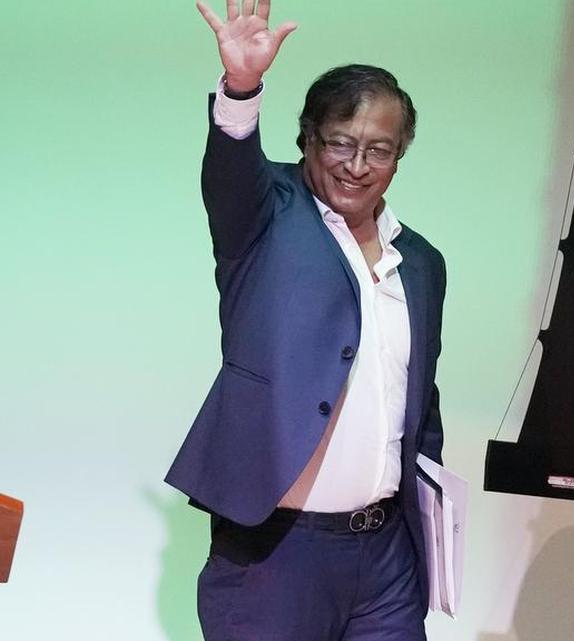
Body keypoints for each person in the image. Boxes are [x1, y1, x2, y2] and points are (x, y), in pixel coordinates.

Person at [165, 2, 446, 639]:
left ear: (399, 157)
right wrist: (241, 89)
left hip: (386, 558)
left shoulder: (422, 261)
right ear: (307, 138)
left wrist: (429, 532)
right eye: (340, 143)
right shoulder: (266, 216)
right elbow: (230, 171)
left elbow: (419, 401)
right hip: (276, 552)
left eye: (378, 150)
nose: (356, 165)